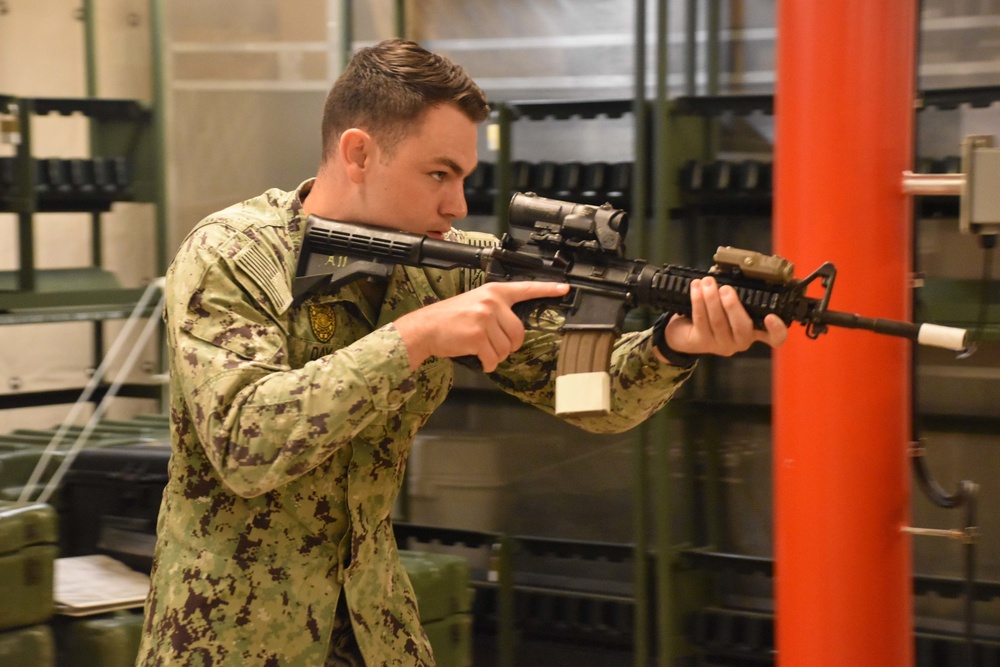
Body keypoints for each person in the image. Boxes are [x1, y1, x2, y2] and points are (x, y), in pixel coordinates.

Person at [135, 38, 787, 667]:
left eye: (465, 177)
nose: (458, 205)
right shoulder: (233, 255)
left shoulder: (438, 266)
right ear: (359, 153)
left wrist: (675, 343)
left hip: (370, 622)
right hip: (227, 633)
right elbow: (248, 442)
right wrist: (416, 337)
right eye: (438, 174)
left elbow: (588, 393)